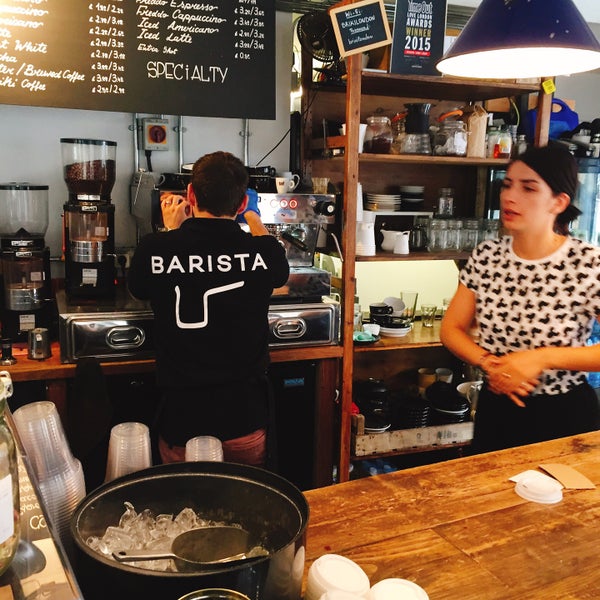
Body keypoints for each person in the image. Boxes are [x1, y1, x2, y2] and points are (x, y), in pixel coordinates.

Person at [128, 151, 289, 466]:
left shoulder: (155, 248)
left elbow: (140, 287)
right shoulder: (263, 250)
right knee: (245, 508)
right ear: (242, 204)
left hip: (182, 422)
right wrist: (254, 218)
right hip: (244, 420)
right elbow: (278, 269)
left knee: (183, 509)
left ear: (190, 194)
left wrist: (171, 231)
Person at [440, 145, 600, 453]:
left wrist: (540, 358)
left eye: (529, 188)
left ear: (559, 201)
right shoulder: (487, 256)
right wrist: (491, 364)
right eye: (507, 185)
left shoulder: (586, 261)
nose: (510, 196)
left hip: (564, 414)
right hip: (497, 408)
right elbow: (451, 328)